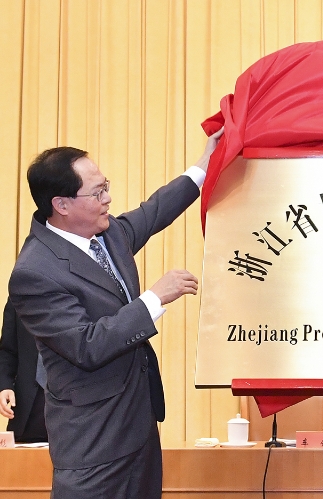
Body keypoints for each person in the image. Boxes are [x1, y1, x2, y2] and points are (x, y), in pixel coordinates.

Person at [8, 128, 223, 499]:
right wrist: (154, 298)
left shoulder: (107, 235)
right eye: (97, 192)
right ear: (61, 205)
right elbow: (86, 346)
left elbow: (154, 212)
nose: (108, 198)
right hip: (93, 444)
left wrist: (204, 166)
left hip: (138, 427)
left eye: (105, 186)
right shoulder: (35, 271)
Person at [0, 296, 48, 442]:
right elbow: (7, 350)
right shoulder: (20, 294)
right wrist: (5, 385)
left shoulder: (83, 291)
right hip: (26, 412)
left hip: (73, 413)